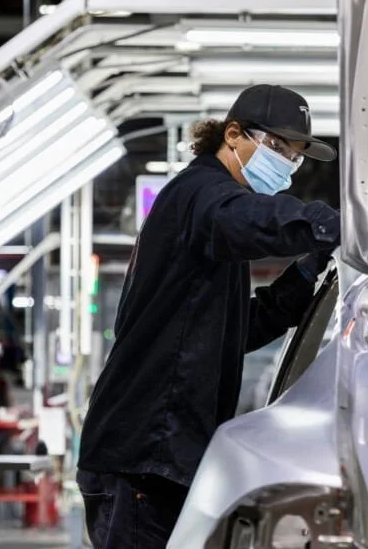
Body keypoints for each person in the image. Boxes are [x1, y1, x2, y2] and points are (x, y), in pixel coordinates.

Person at [76, 84, 341, 548]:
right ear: (233, 134)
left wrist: (305, 274)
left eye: (295, 157)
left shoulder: (208, 222)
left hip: (160, 457)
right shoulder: (201, 195)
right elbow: (251, 218)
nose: (286, 163)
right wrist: (330, 225)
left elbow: (235, 331)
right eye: (277, 147)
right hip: (144, 454)